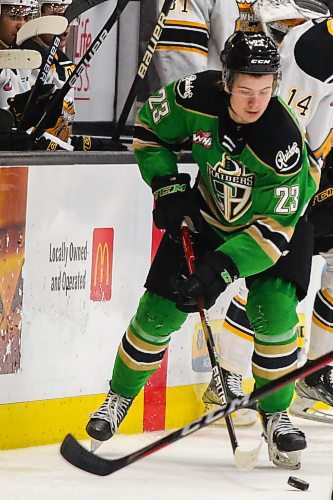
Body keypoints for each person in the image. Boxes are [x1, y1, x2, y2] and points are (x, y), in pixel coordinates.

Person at [85, 31, 320, 470]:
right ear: (226, 82)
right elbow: (149, 131)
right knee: (157, 312)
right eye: (246, 90)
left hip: (275, 230)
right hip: (208, 215)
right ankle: (117, 398)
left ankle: (276, 414)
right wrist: (168, 186)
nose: (256, 102)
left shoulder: (282, 143)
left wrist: (220, 270)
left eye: (266, 91)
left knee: (274, 316)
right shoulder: (192, 96)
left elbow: (270, 235)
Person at [203, 0, 333, 426]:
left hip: (323, 164)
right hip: (294, 173)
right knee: (274, 266)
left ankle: (315, 375)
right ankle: (230, 374)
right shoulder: (313, 50)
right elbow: (281, 130)